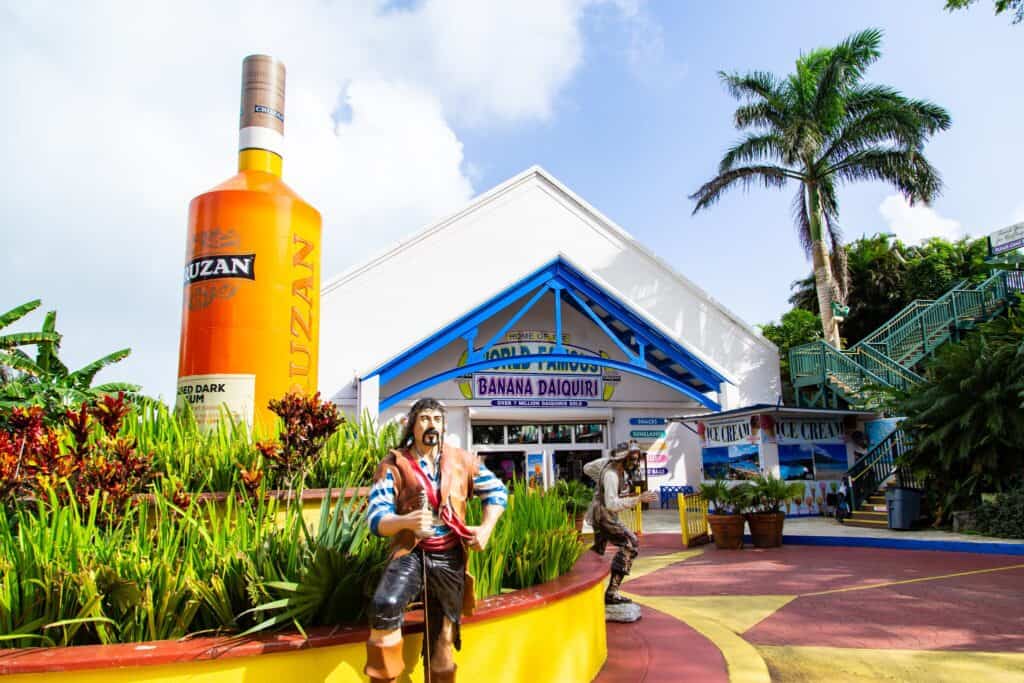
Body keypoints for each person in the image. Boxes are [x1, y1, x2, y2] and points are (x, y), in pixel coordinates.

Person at [364, 398, 508, 683]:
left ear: (443, 427)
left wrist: (486, 528)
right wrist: (406, 522)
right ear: (412, 425)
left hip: (449, 554)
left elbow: (497, 492)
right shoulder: (393, 465)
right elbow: (376, 518)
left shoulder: (462, 461)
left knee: (444, 637)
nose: (432, 425)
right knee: (385, 605)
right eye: (425, 418)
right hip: (410, 551)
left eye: (437, 419)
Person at [583, 440, 658, 605]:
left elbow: (587, 468)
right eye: (633, 459)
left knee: (598, 549)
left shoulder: (612, 468)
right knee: (630, 543)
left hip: (600, 513)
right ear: (622, 459)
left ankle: (581, 576)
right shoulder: (611, 475)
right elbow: (612, 504)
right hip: (604, 515)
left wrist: (601, 477)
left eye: (637, 459)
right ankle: (612, 592)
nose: (636, 463)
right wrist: (638, 498)